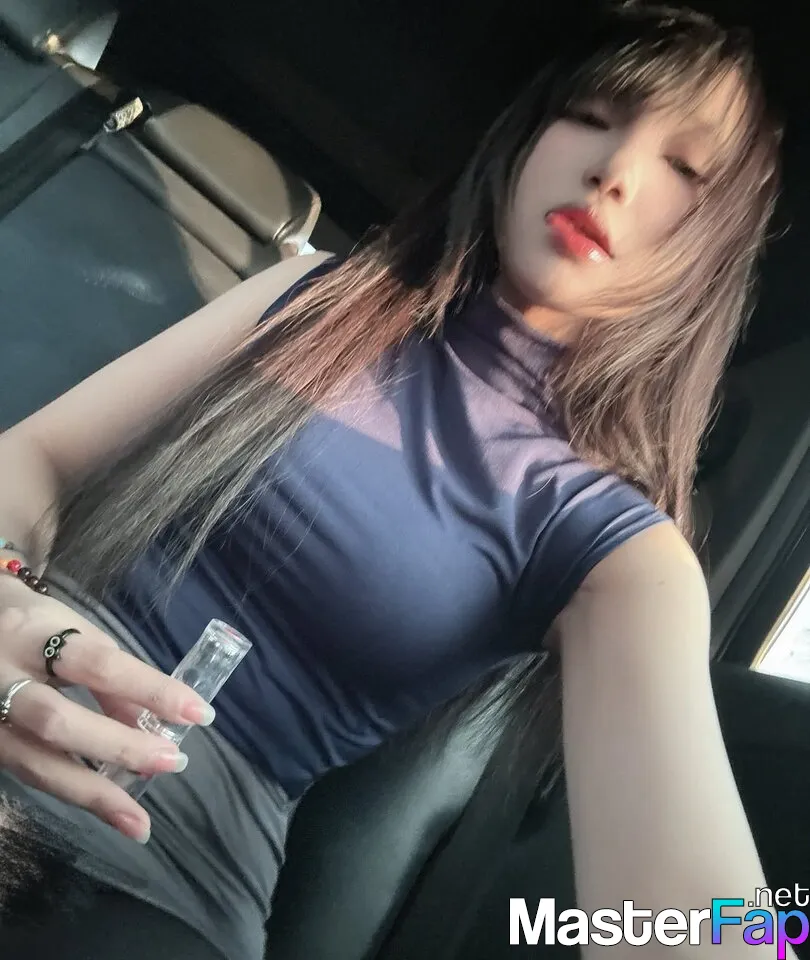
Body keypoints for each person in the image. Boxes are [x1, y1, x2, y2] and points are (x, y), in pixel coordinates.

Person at [0, 3, 787, 958]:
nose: (616, 170)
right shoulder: (316, 298)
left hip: (158, 874)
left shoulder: (614, 544)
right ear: (525, 136)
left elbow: (704, 921)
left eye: (687, 168)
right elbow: (33, 459)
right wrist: (10, 596)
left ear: (715, 247)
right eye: (591, 115)